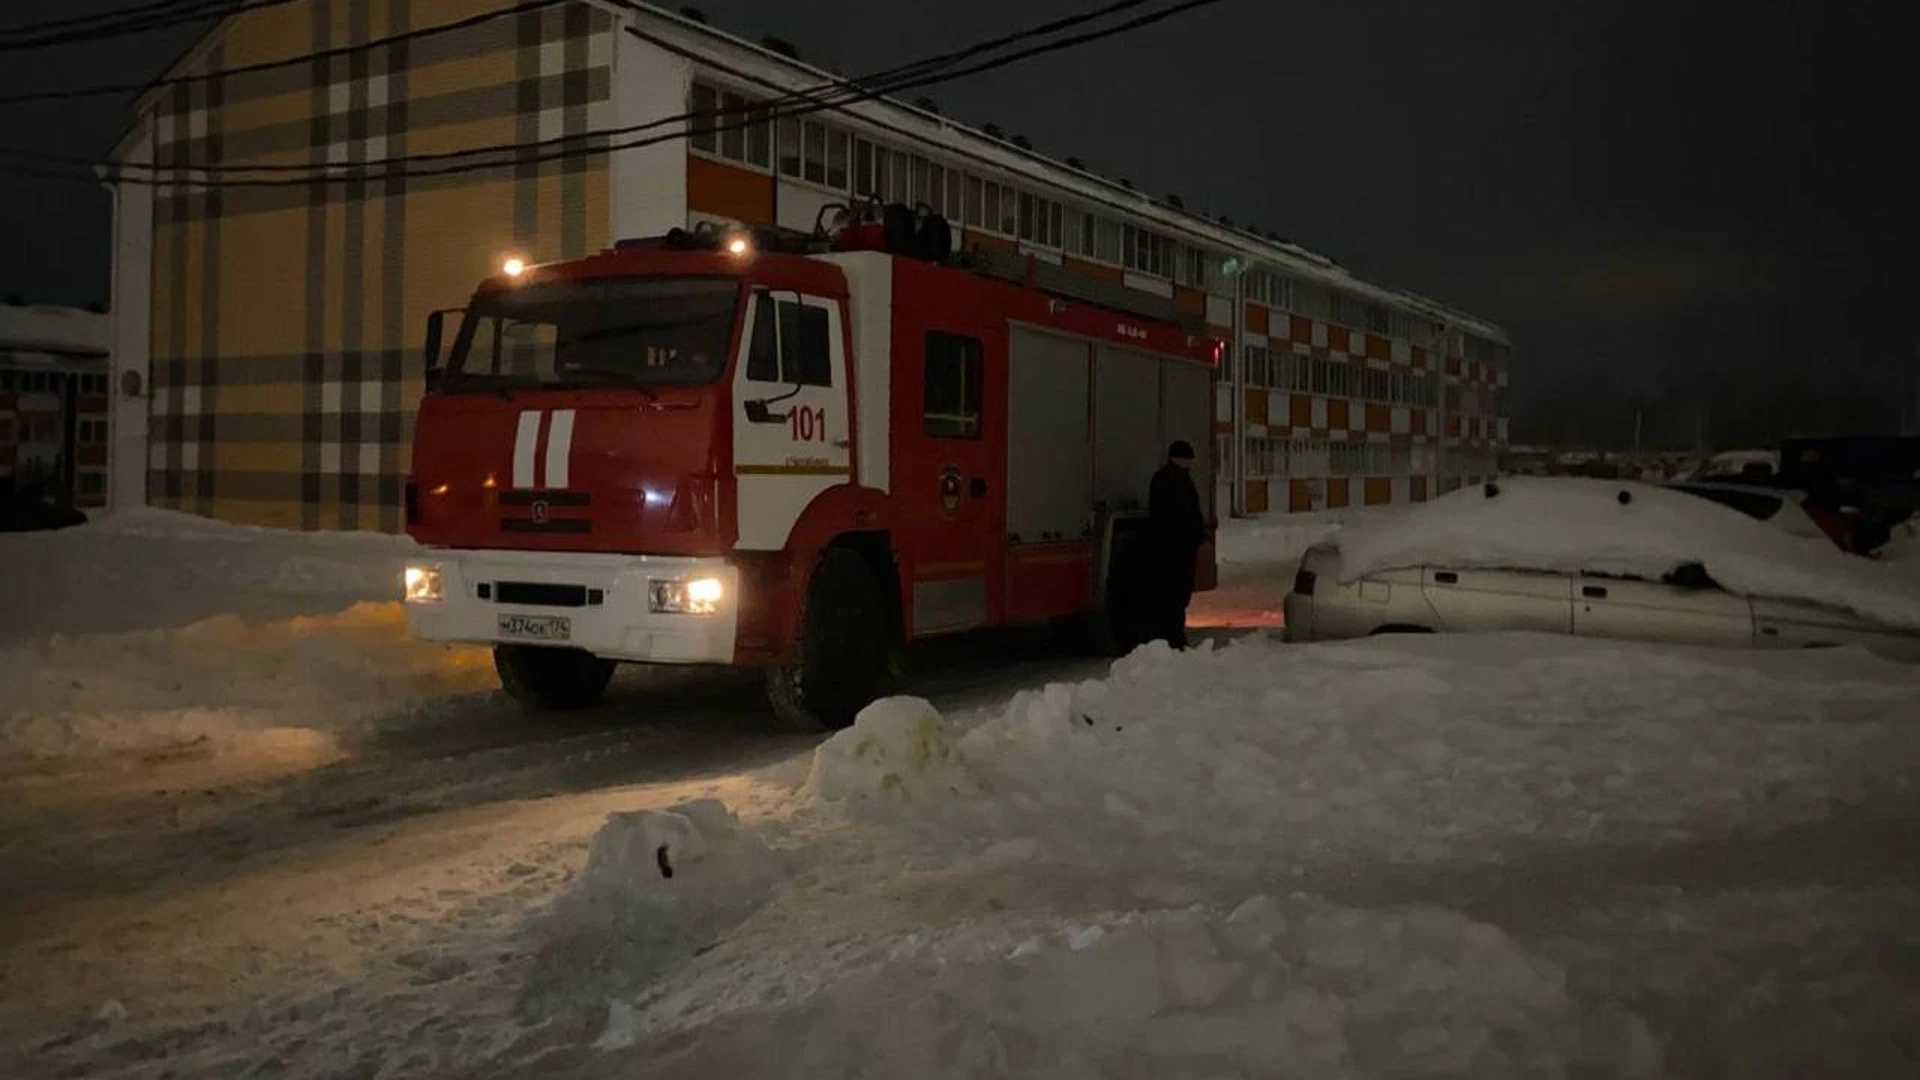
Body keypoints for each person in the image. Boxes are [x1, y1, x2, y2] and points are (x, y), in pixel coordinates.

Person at [1146, 439, 1206, 649]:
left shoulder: (1174, 478)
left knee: (1176, 595)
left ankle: (1173, 635)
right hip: (1175, 549)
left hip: (1178, 547)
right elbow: (1177, 516)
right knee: (1174, 595)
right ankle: (1173, 637)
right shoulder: (1172, 480)